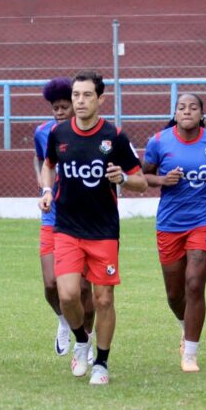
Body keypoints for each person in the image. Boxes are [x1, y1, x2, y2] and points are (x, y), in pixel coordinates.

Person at [39, 70, 147, 385]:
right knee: (67, 295)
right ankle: (81, 340)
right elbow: (48, 166)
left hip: (103, 231)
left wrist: (122, 178)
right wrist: (47, 190)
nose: (80, 101)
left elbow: (141, 181)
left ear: (100, 99)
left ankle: (101, 363)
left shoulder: (115, 137)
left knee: (104, 299)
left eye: (87, 95)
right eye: (76, 95)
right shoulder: (58, 134)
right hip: (67, 228)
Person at [143, 93, 206, 372]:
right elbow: (144, 176)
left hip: (204, 219)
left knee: (194, 283)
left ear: (202, 114)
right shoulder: (159, 141)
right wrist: (162, 179)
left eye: (193, 107)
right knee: (174, 294)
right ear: (175, 113)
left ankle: (191, 353)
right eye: (181, 107)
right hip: (170, 223)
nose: (187, 111)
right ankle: (186, 326)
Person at [33, 77, 95, 356]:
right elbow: (41, 159)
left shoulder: (91, 133)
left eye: (63, 107)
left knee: (82, 288)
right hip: (53, 216)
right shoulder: (43, 132)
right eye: (54, 108)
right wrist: (43, 181)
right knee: (50, 284)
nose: (59, 112)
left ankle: (86, 339)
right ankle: (63, 321)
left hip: (84, 218)